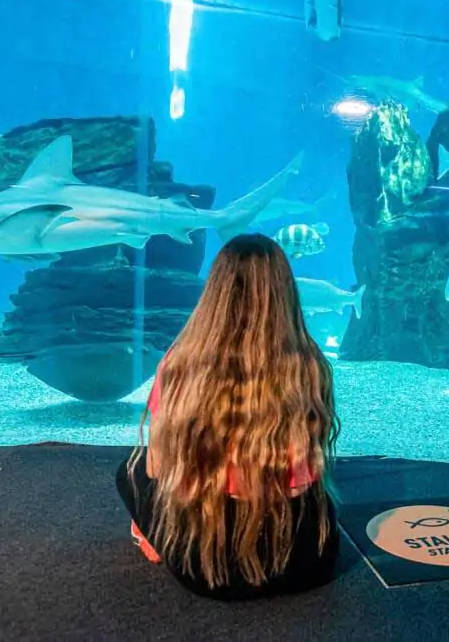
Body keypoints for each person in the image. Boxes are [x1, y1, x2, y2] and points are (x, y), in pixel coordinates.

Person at [116, 233, 341, 600]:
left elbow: (157, 469)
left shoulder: (180, 364)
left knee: (131, 470)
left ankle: (153, 537)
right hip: (306, 564)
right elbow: (302, 483)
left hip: (205, 568)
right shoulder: (309, 364)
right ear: (285, 290)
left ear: (214, 291)